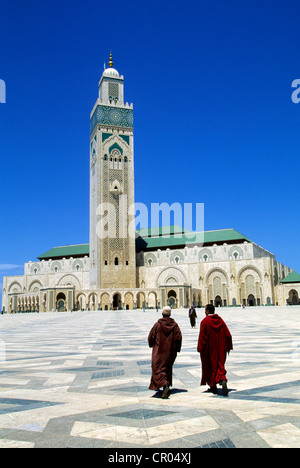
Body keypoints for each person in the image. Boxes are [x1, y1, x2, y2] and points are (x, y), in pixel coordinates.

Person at [197, 304, 233, 396]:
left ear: (208, 311)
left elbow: (202, 337)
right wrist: (228, 346)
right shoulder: (220, 320)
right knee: (220, 365)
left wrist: (200, 348)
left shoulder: (205, 322)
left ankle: (213, 386)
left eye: (205, 310)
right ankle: (223, 379)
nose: (205, 312)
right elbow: (228, 334)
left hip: (209, 350)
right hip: (221, 349)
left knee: (210, 367)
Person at [148, 306, 182, 399]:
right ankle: (165, 386)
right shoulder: (175, 325)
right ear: (170, 314)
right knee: (167, 367)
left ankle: (165, 385)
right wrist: (176, 349)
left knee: (158, 368)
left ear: (162, 314)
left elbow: (151, 336)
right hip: (170, 351)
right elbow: (179, 337)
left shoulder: (158, 324)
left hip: (159, 351)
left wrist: (152, 345)